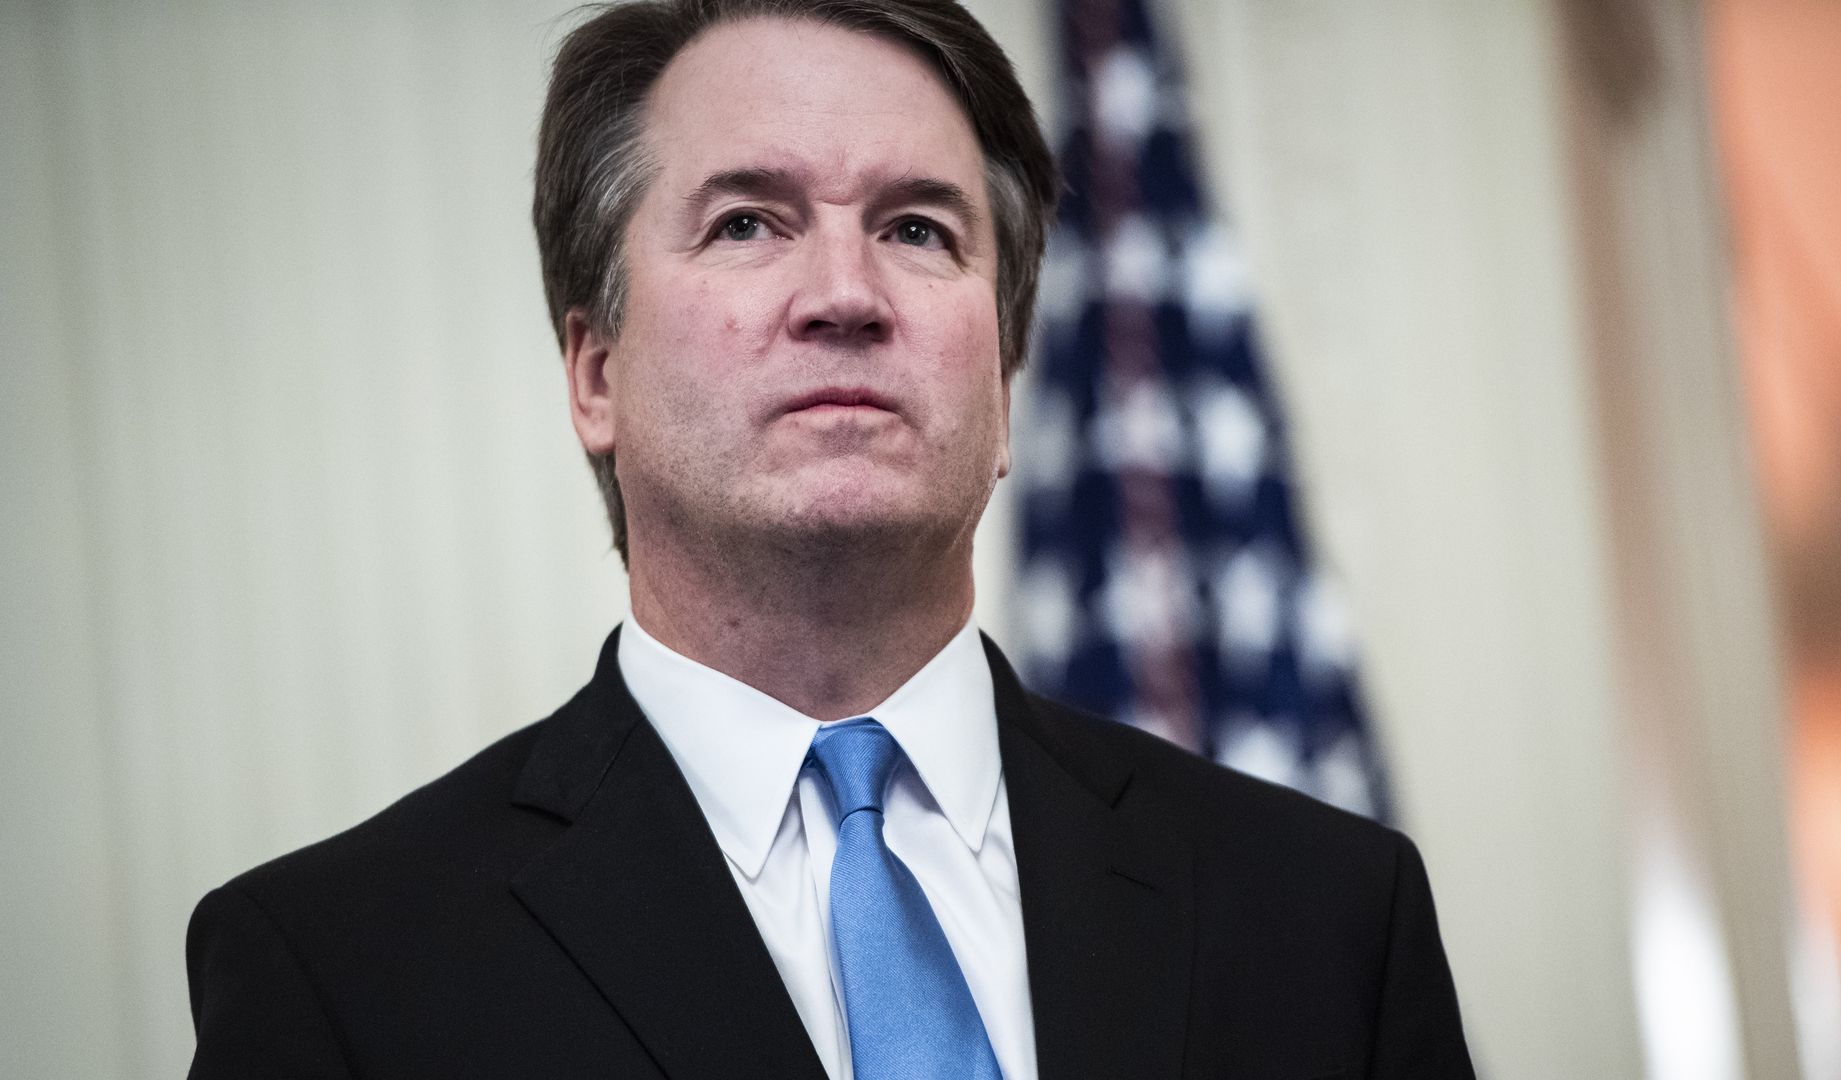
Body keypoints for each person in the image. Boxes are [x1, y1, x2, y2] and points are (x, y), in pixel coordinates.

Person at [183, 1, 1475, 1077]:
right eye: (748, 221)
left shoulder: (1327, 917)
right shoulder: (342, 974)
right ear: (594, 373)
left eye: (919, 230)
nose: (847, 297)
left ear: (1007, 384)